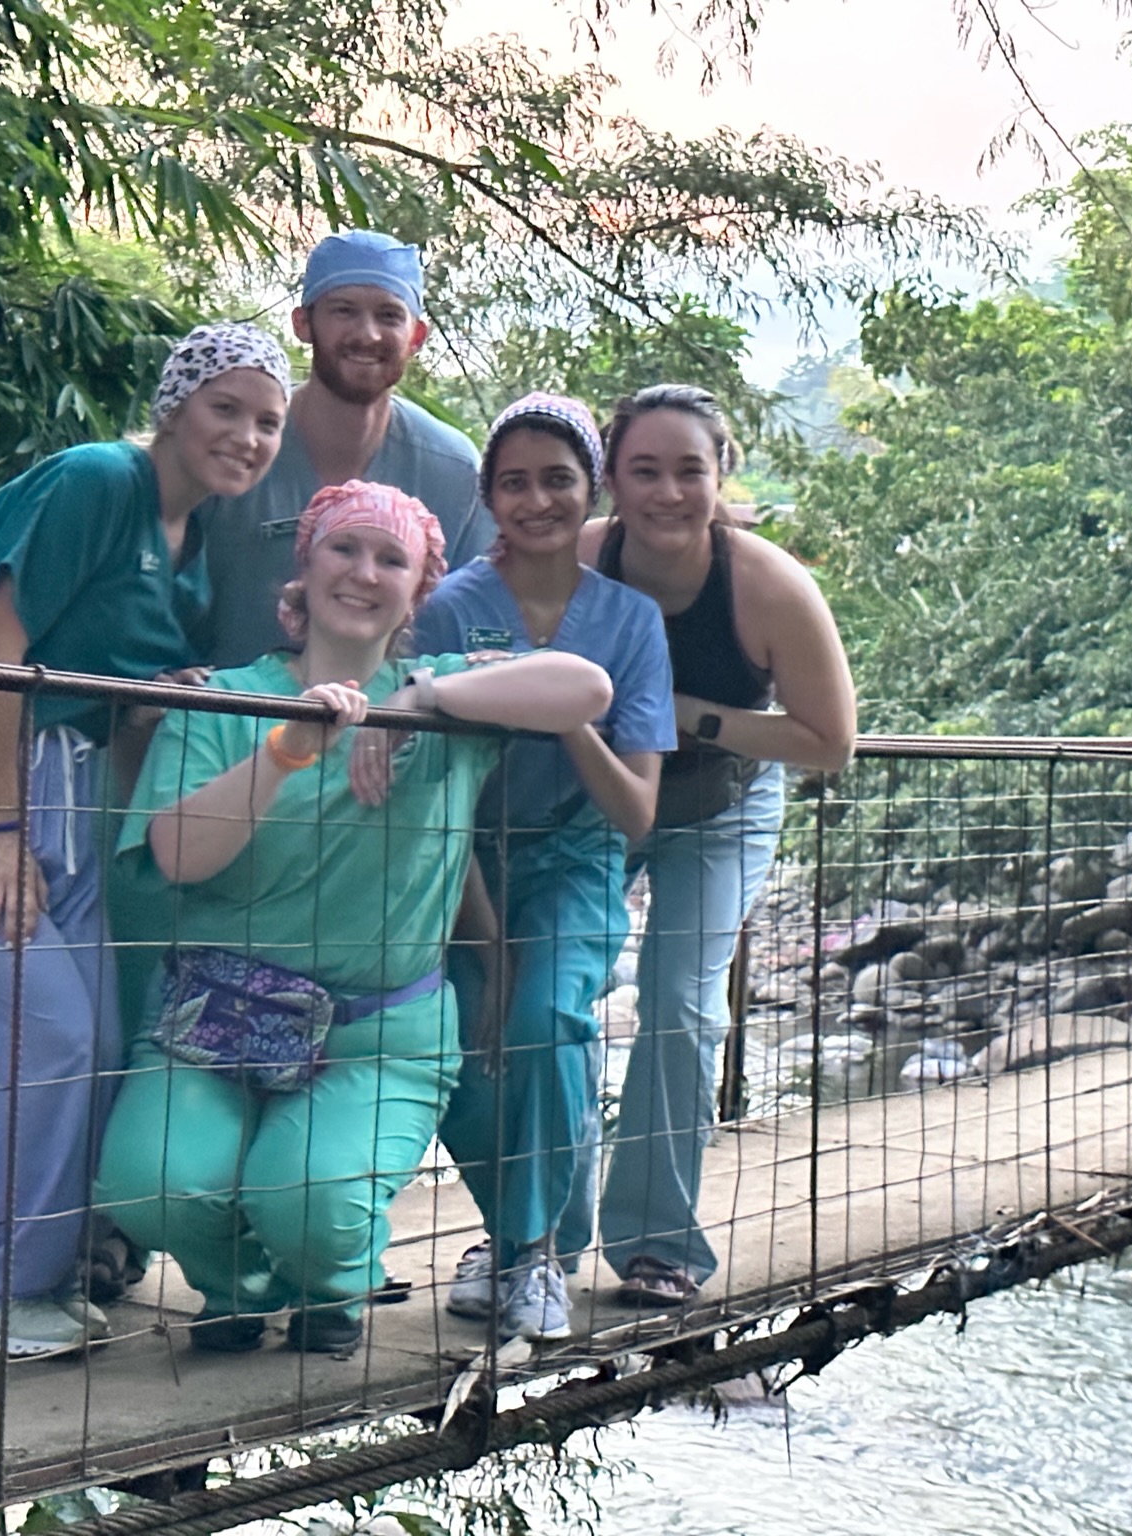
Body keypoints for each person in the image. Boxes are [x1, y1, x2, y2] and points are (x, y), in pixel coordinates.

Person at [0, 324, 292, 1358]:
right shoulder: (97, 480)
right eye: (226, 408)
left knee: (101, 1036)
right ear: (174, 404)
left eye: (268, 422)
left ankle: (33, 1278)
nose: (247, 436)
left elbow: (109, 694)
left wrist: (152, 698)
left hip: (66, 789)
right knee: (34, 1034)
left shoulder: (194, 549)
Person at [94, 481, 613, 1356]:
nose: (364, 573)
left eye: (390, 559)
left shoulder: (452, 693)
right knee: (153, 1187)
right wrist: (286, 750)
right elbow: (180, 857)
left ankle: (329, 1282)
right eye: (344, 548)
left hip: (375, 1037)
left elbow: (586, 688)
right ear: (305, 567)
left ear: (417, 593)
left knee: (310, 1200)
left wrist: (417, 702)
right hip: (214, 1024)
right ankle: (240, 1288)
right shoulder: (226, 699)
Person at [578, 384, 857, 1307]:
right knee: (553, 991)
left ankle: (657, 1244)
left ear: (720, 473)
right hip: (597, 796)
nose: (666, 492)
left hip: (720, 805)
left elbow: (829, 742)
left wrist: (684, 713)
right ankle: (532, 1235)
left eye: (688, 470)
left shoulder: (765, 585)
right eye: (643, 470)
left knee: (680, 1006)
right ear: (611, 478)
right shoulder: (579, 561)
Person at [413, 394, 676, 1342]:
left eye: (558, 480)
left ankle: (534, 1256)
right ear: (487, 497)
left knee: (545, 1023)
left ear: (590, 490)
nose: (537, 501)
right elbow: (433, 782)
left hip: (574, 857)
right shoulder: (449, 611)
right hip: (458, 861)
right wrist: (486, 938)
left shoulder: (629, 621)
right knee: (454, 1041)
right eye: (514, 483)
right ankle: (510, 1237)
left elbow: (636, 808)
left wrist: (567, 721)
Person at [196, 229, 495, 668]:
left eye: (389, 316)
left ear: (416, 336)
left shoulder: (452, 470)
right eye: (344, 311)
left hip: (390, 710)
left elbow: (469, 618)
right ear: (303, 323)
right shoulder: (237, 448)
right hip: (223, 706)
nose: (367, 334)